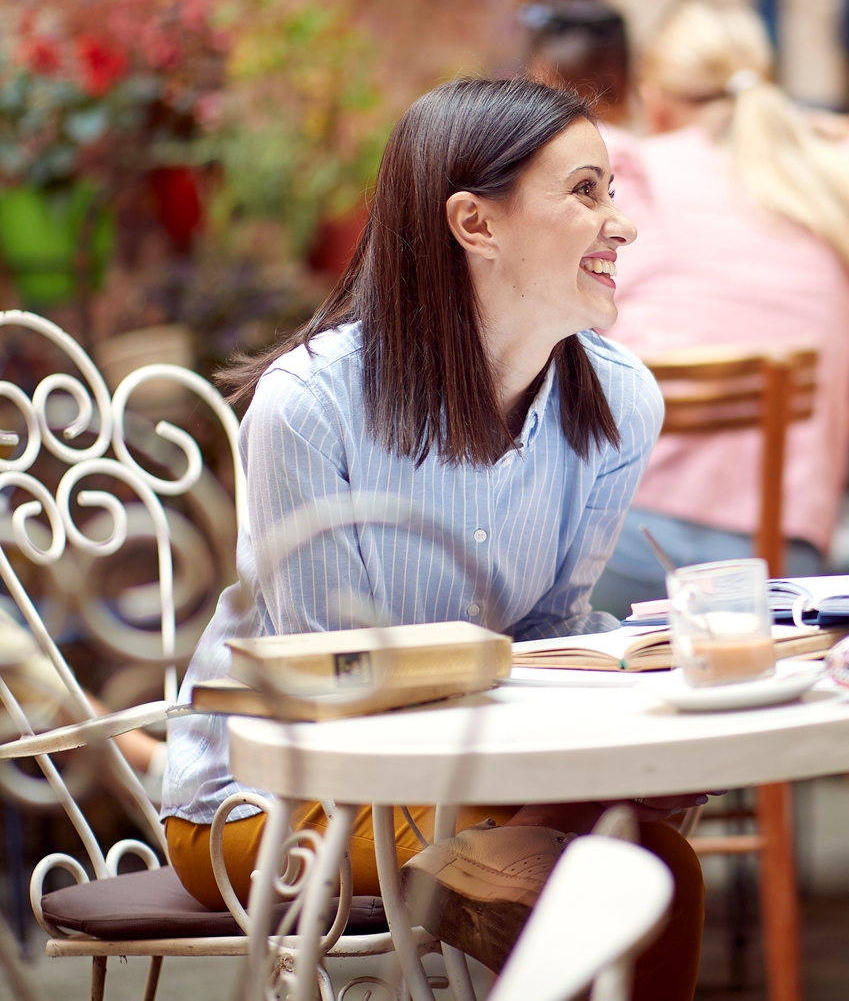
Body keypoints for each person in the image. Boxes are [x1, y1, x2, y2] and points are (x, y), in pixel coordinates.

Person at [161, 78, 703, 999]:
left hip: (478, 783)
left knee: (644, 858)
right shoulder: (310, 406)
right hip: (274, 807)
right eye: (584, 192)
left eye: (610, 191)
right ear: (474, 223)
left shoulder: (620, 405)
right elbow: (329, 692)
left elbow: (548, 635)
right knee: (614, 864)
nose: (621, 223)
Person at [589, 0, 849, 610]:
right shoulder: (846, 182)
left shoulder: (629, 177)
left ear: (654, 100)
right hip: (781, 560)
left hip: (617, 537)